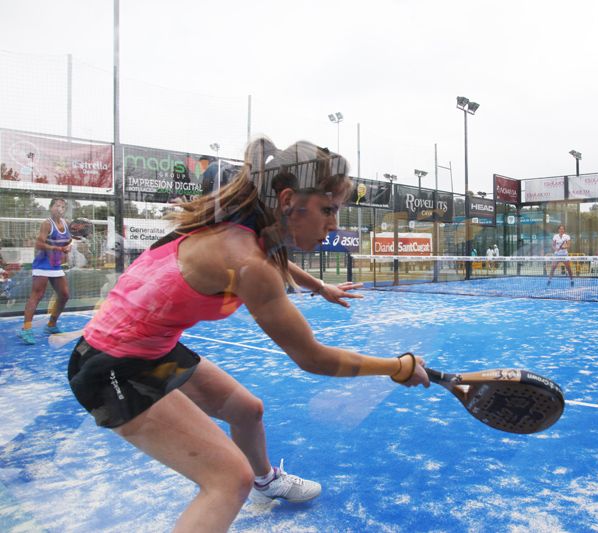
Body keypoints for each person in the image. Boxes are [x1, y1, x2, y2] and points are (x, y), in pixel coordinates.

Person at [66, 137, 430, 532]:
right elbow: (312, 357)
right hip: (110, 367)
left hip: (148, 348)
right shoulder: (246, 263)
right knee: (226, 481)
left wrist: (319, 287)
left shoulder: (241, 229)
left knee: (247, 410)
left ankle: (267, 483)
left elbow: (275, 257)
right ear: (289, 200)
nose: (334, 224)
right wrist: (398, 366)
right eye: (329, 209)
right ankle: (249, 482)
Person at [18, 198, 72, 344]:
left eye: (62, 206)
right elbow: (39, 243)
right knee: (37, 295)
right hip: (42, 264)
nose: (59, 208)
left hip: (56, 265)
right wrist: (56, 248)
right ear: (51, 208)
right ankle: (26, 328)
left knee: (64, 295)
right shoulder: (47, 223)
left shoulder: (66, 224)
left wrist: (67, 248)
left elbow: (67, 242)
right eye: (56, 205)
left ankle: (51, 325)